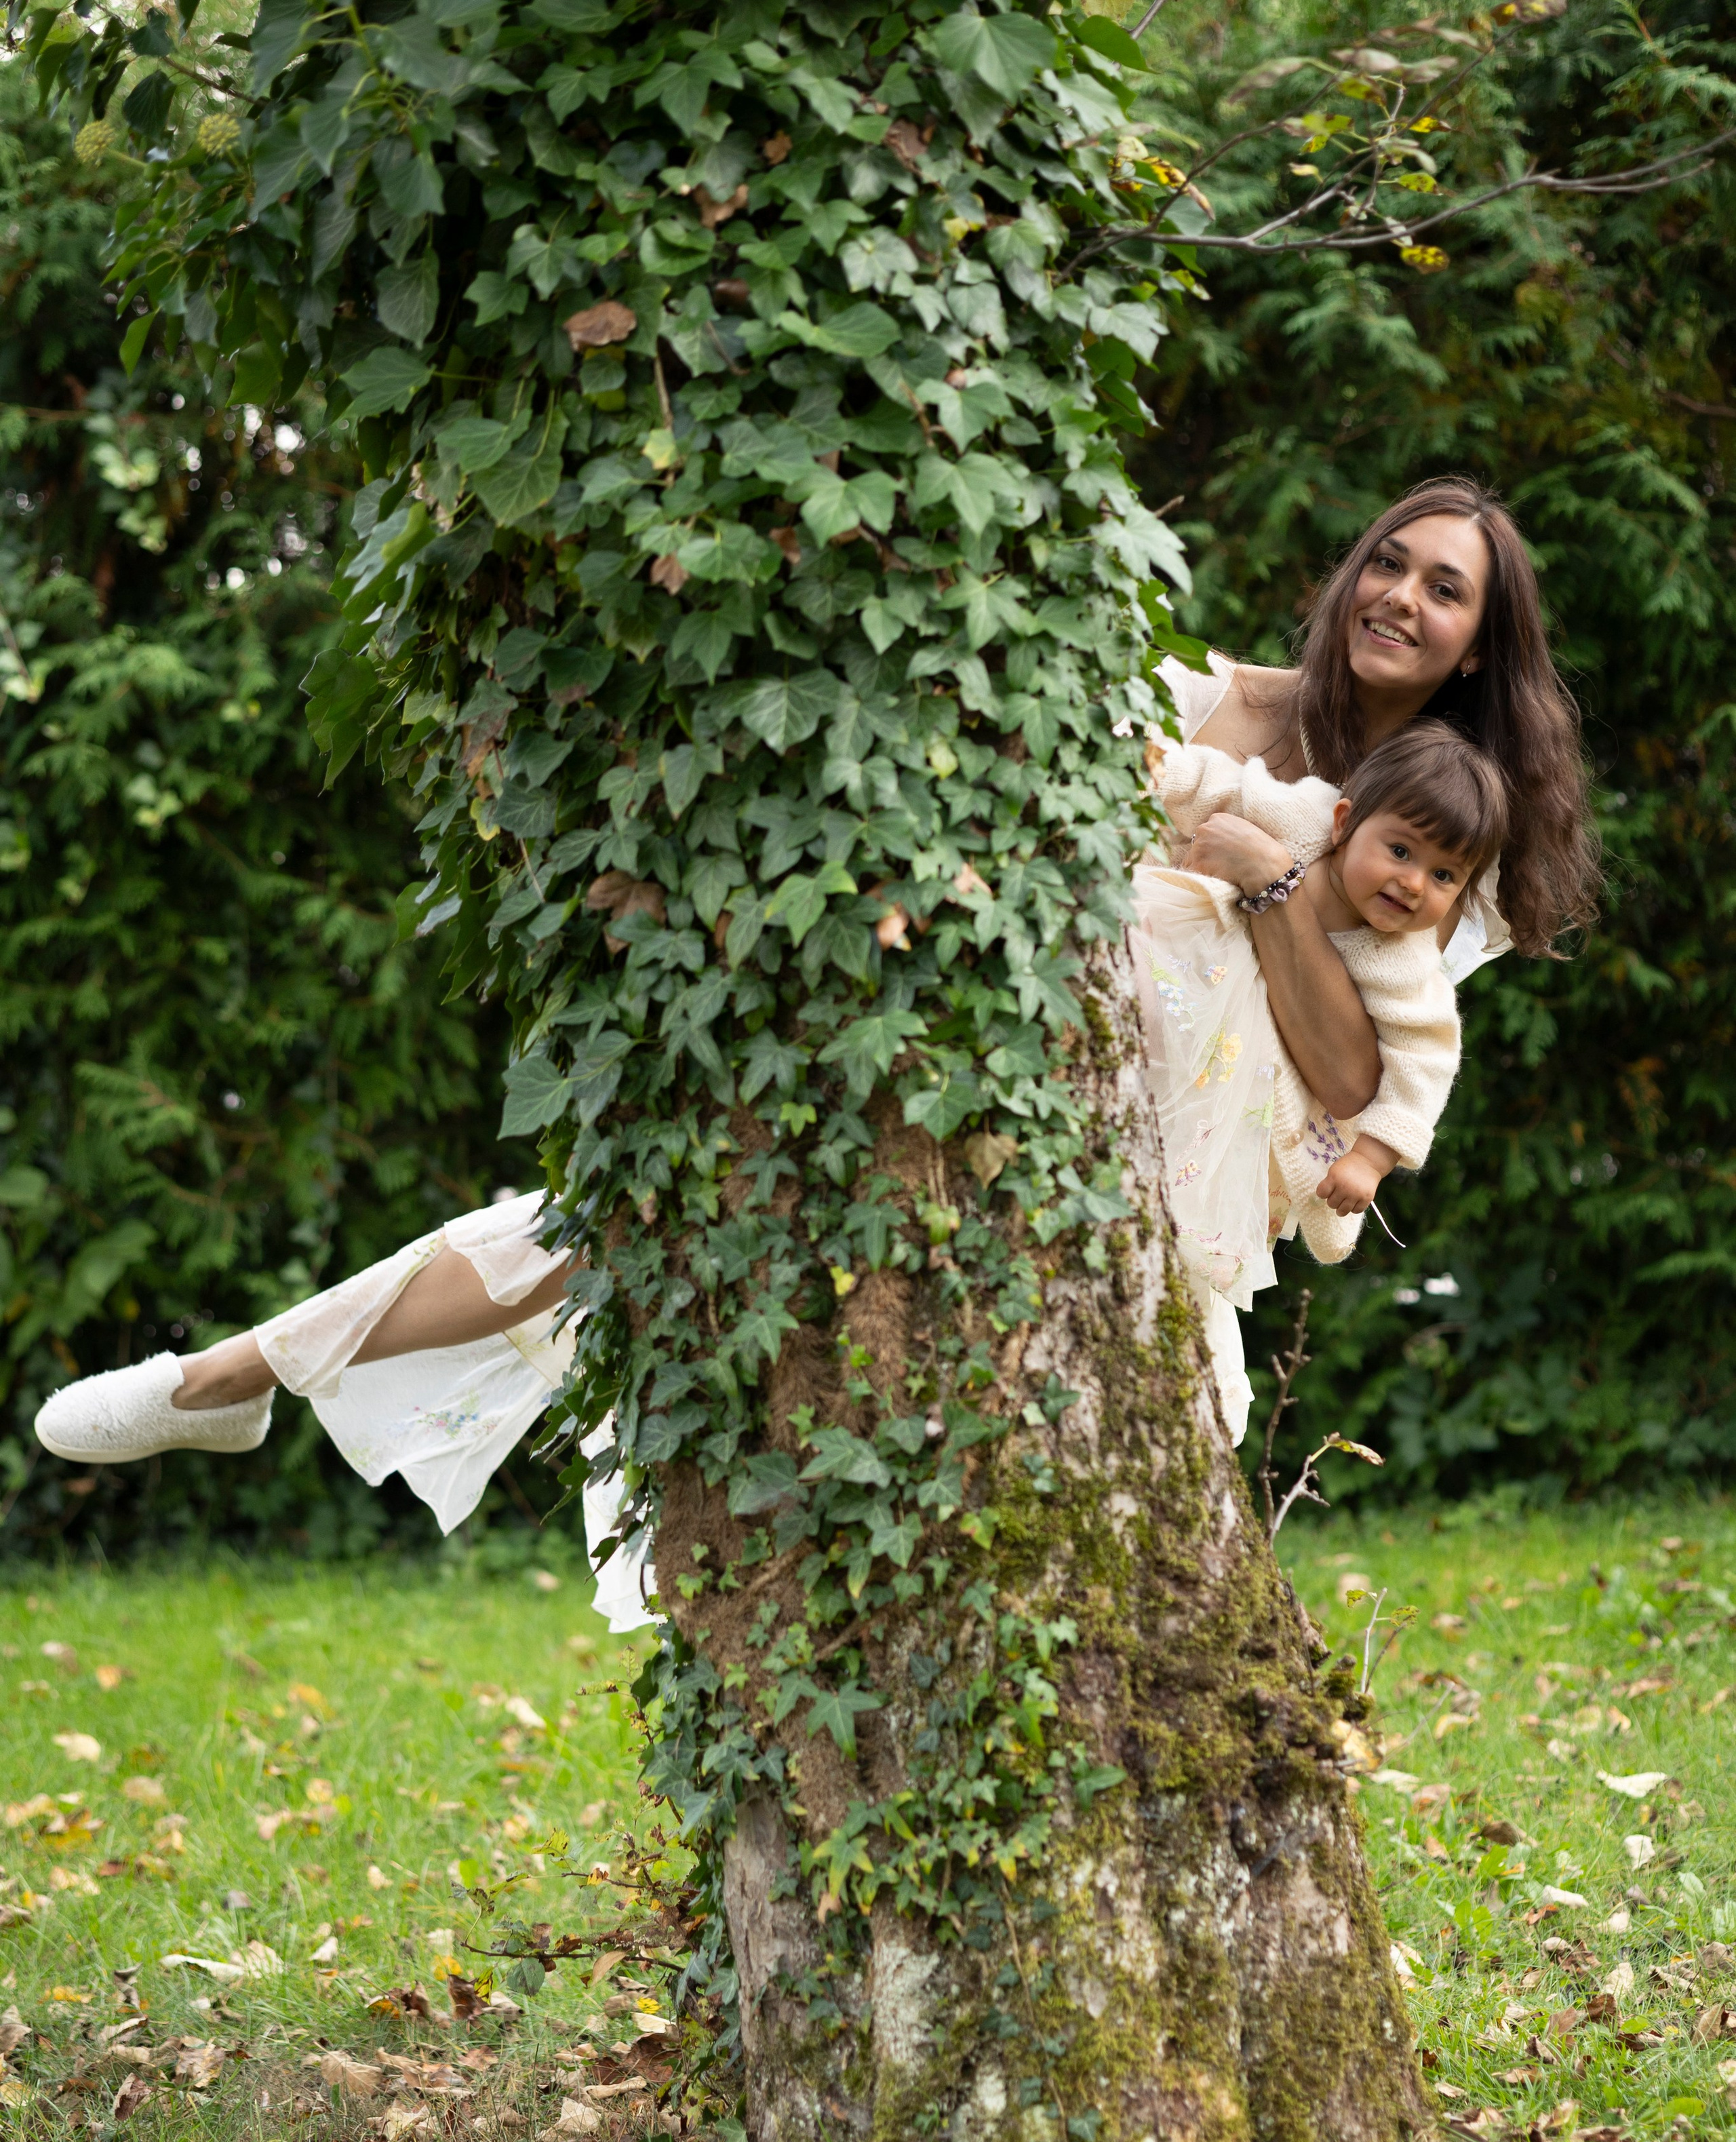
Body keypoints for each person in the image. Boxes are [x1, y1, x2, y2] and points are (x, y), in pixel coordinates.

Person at [33, 478, 1596, 1573]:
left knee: (1124, 1497)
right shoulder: (1187, 708)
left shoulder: (1451, 835)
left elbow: (1352, 1077)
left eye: (1441, 588)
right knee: (626, 1203)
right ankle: (234, 1373)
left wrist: (1269, 878)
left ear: (1476, 645)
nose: (1399, 594)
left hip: (1163, 1178)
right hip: (989, 1059)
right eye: (1389, 561)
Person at [1135, 720, 1506, 1437]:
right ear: (1344, 822)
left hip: (1238, 1075)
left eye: (1442, 876)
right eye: (1399, 850)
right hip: (1180, 973)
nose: (1410, 884)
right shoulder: (1299, 822)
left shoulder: (1404, 963)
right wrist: (1155, 763)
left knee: (1195, 1198)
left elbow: (1424, 1066)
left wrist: (1370, 1159)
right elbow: (1219, 784)